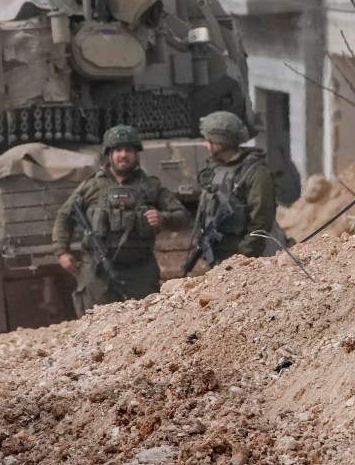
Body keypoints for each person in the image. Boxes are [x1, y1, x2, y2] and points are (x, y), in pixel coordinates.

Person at [51, 125, 188, 313]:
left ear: (136, 154)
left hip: (139, 271)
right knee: (97, 328)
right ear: (109, 154)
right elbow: (64, 216)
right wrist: (61, 251)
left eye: (129, 150)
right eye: (118, 150)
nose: (123, 155)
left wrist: (163, 218)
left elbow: (183, 217)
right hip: (98, 273)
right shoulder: (90, 186)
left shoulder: (150, 186)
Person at [189, 110, 280, 267]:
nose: (205, 144)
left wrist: (242, 258)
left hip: (248, 259)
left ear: (220, 140)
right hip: (221, 255)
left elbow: (261, 222)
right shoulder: (217, 168)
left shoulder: (255, 173)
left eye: (208, 139)